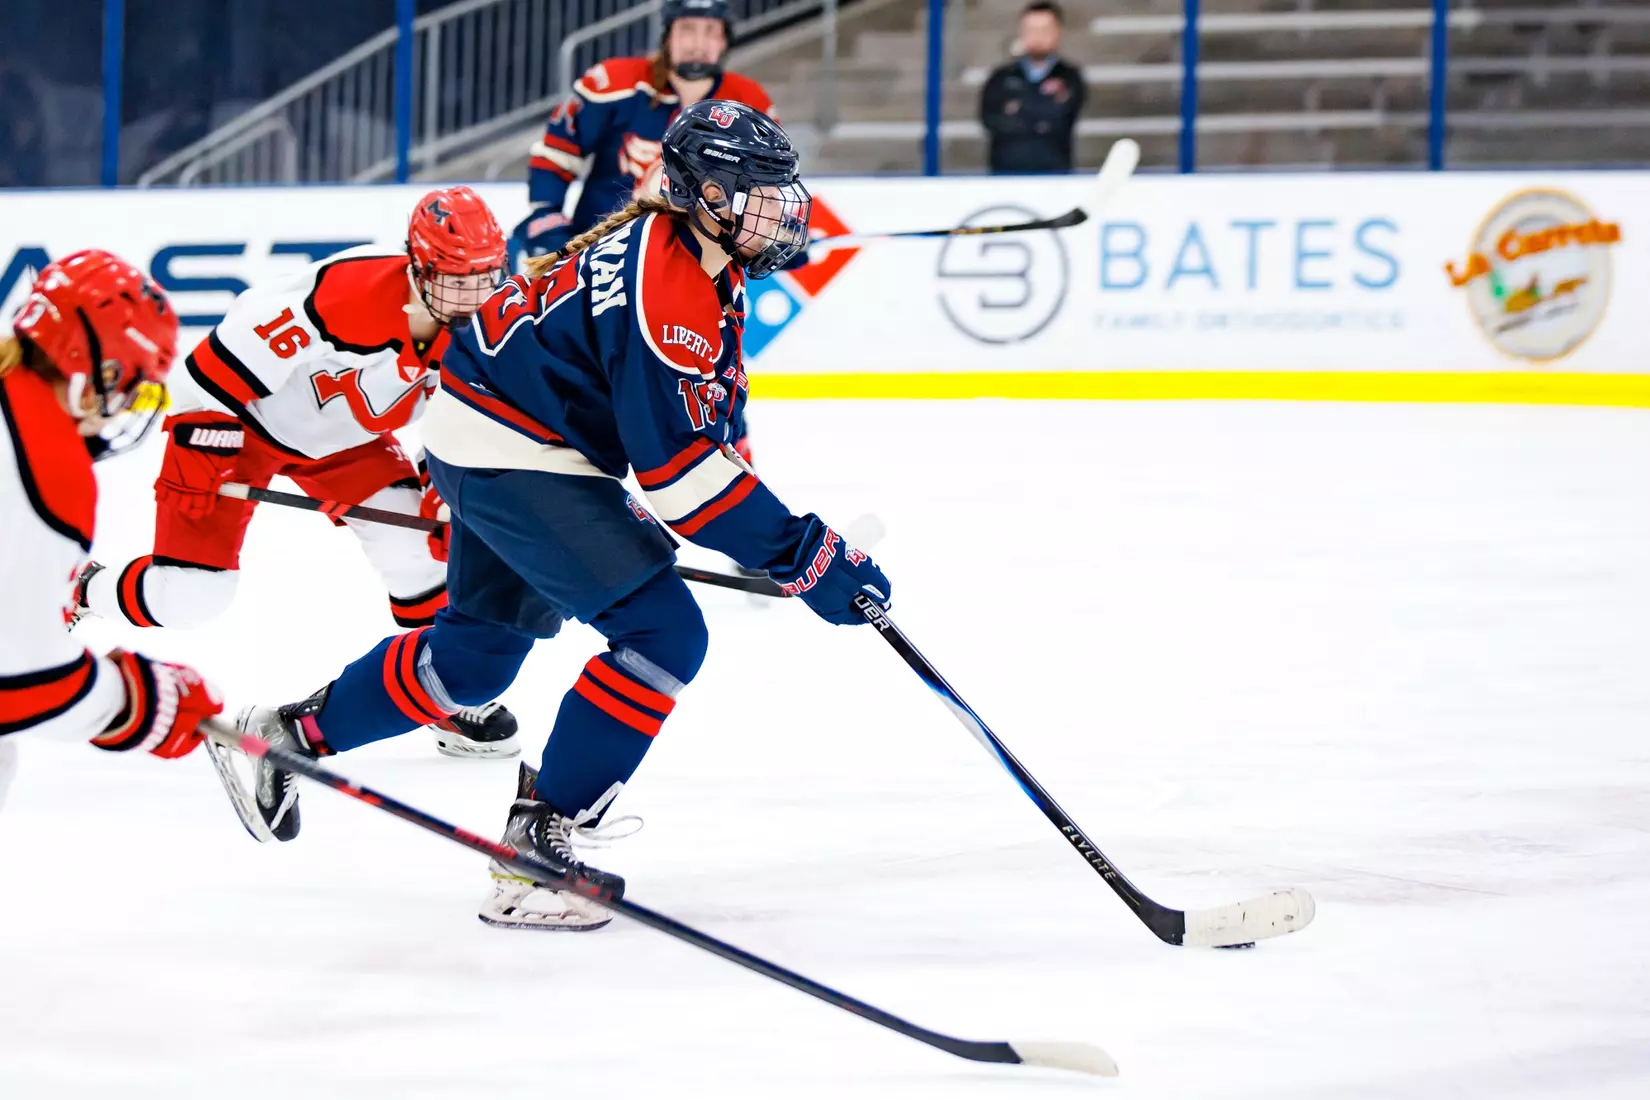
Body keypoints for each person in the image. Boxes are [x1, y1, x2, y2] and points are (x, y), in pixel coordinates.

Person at [218, 101, 892, 932]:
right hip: (514, 451)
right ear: (699, 193)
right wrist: (806, 555)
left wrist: (785, 545)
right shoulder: (671, 287)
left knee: (477, 657)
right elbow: (679, 477)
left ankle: (283, 734)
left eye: (773, 192)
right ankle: (537, 856)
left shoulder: (686, 255)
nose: (776, 211)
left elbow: (696, 443)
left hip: (492, 433)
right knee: (665, 636)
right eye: (749, 192)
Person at [71, 187, 523, 760]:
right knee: (190, 594)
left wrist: (442, 487)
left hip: (346, 440)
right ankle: (80, 588)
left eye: (485, 278)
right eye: (456, 281)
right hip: (242, 426)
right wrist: (200, 452)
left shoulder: (494, 317)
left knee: (418, 550)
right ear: (417, 265)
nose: (472, 298)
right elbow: (207, 373)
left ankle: (442, 696)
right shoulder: (344, 296)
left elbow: (466, 419)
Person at [0, 250, 223, 814]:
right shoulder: (46, 463)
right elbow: (24, 686)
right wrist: (142, 702)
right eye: (136, 389)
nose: (122, 409)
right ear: (96, 370)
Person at [510, 0, 776, 268]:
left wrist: (764, 233)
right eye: (687, 30)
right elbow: (557, 153)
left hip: (696, 265)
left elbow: (766, 187)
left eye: (710, 31)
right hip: (598, 257)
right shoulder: (616, 82)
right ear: (667, 36)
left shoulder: (749, 101)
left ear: (725, 40)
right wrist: (547, 214)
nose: (698, 43)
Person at [980, 1, 1087, 175]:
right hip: (1005, 175)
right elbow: (990, 119)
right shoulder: (1000, 77)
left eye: (1044, 30)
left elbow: (1061, 118)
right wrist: (1040, 112)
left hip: (1053, 176)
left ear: (1058, 31)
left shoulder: (1070, 77)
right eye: (1031, 30)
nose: (1037, 36)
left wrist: (1018, 108)